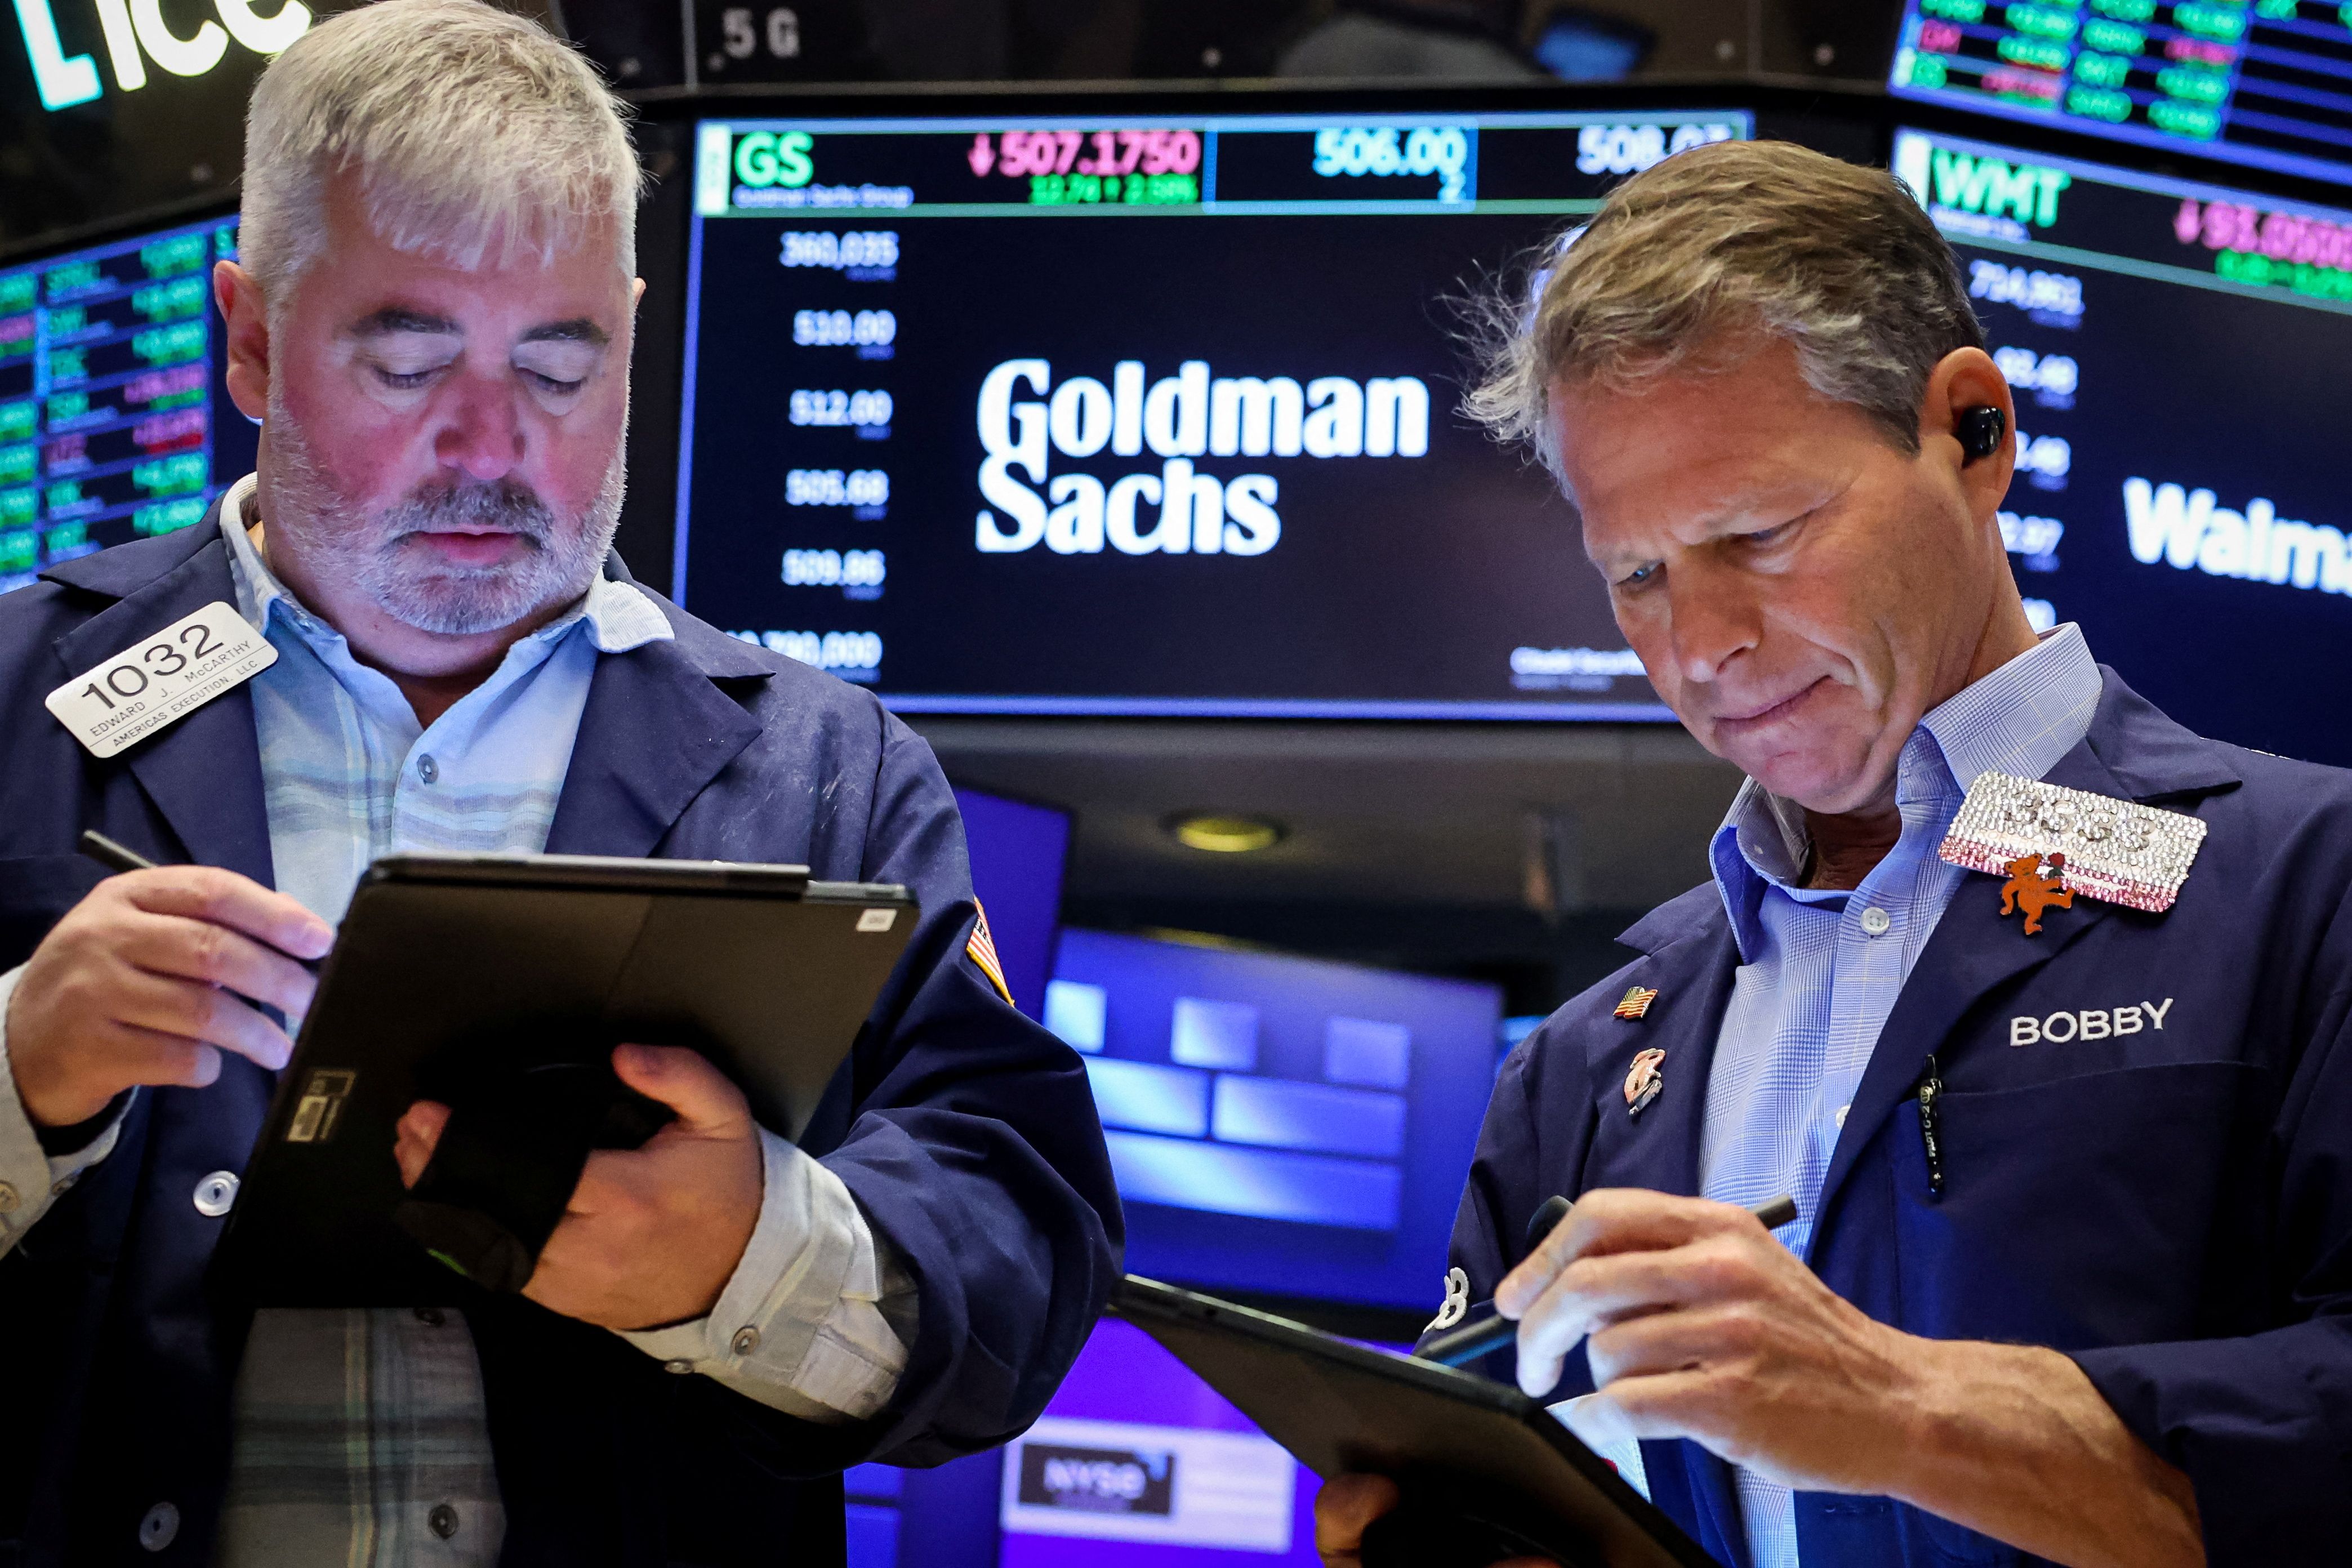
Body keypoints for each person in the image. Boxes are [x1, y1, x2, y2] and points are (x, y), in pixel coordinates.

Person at [0, 3, 1118, 1562]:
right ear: (249, 337)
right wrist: (13, 1082)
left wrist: (743, 1256)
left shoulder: (823, 771)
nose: (493, 443)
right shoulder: (15, 703)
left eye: (559, 363)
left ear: (636, 335)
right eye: (407, 362)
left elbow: (1024, 1245)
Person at [1317, 139, 2352, 1568]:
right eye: (1636, 573)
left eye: (1761, 532)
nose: (1701, 644)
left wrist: (1899, 1410)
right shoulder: (1579, 1064)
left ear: (1972, 430)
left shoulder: (2310, 892)